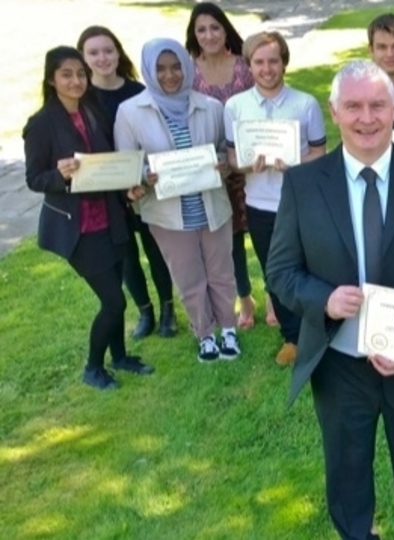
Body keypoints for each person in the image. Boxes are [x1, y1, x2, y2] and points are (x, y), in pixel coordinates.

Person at [265, 60, 394, 540]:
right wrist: (323, 298)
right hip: (339, 362)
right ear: (334, 111)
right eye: (353, 106)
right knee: (347, 469)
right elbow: (280, 270)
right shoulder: (303, 184)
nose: (366, 118)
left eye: (377, 105)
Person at [24, 46, 154, 390]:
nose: (76, 80)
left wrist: (128, 188)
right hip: (76, 227)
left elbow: (108, 166)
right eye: (67, 74)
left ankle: (121, 358)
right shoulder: (40, 124)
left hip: (110, 219)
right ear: (52, 79)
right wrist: (60, 174)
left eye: (80, 73)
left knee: (114, 292)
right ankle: (92, 368)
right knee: (114, 300)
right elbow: (34, 179)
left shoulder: (92, 111)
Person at [115, 38, 239, 363]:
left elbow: (224, 150)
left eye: (175, 67)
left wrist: (224, 164)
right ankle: (205, 334)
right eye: (160, 68)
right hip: (168, 214)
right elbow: (128, 163)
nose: (170, 75)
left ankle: (228, 328)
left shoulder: (210, 106)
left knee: (221, 272)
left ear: (186, 67)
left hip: (212, 206)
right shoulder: (130, 112)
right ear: (149, 71)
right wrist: (144, 175)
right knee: (189, 277)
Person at [224, 32, 327, 366]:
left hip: (300, 202)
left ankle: (320, 328)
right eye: (259, 62)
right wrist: (245, 164)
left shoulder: (305, 103)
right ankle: (293, 337)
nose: (267, 68)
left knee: (311, 267)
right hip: (260, 204)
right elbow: (231, 158)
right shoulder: (236, 106)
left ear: (284, 62)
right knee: (276, 274)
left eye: (273, 60)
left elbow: (319, 152)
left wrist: (295, 165)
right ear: (249, 65)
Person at [78, 25, 177, 340]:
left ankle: (168, 310)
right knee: (126, 255)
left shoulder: (138, 92)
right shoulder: (82, 98)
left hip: (145, 185)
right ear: (83, 58)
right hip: (106, 192)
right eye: (93, 52)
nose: (102, 58)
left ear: (118, 53)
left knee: (156, 249)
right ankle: (145, 312)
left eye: (108, 50)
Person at [186, 1, 262, 329]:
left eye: (214, 27)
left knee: (264, 233)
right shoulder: (187, 71)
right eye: (201, 29)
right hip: (213, 171)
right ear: (194, 34)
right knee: (229, 242)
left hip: (250, 166)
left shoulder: (245, 66)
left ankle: (275, 295)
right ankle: (245, 299)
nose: (209, 35)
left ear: (224, 29)